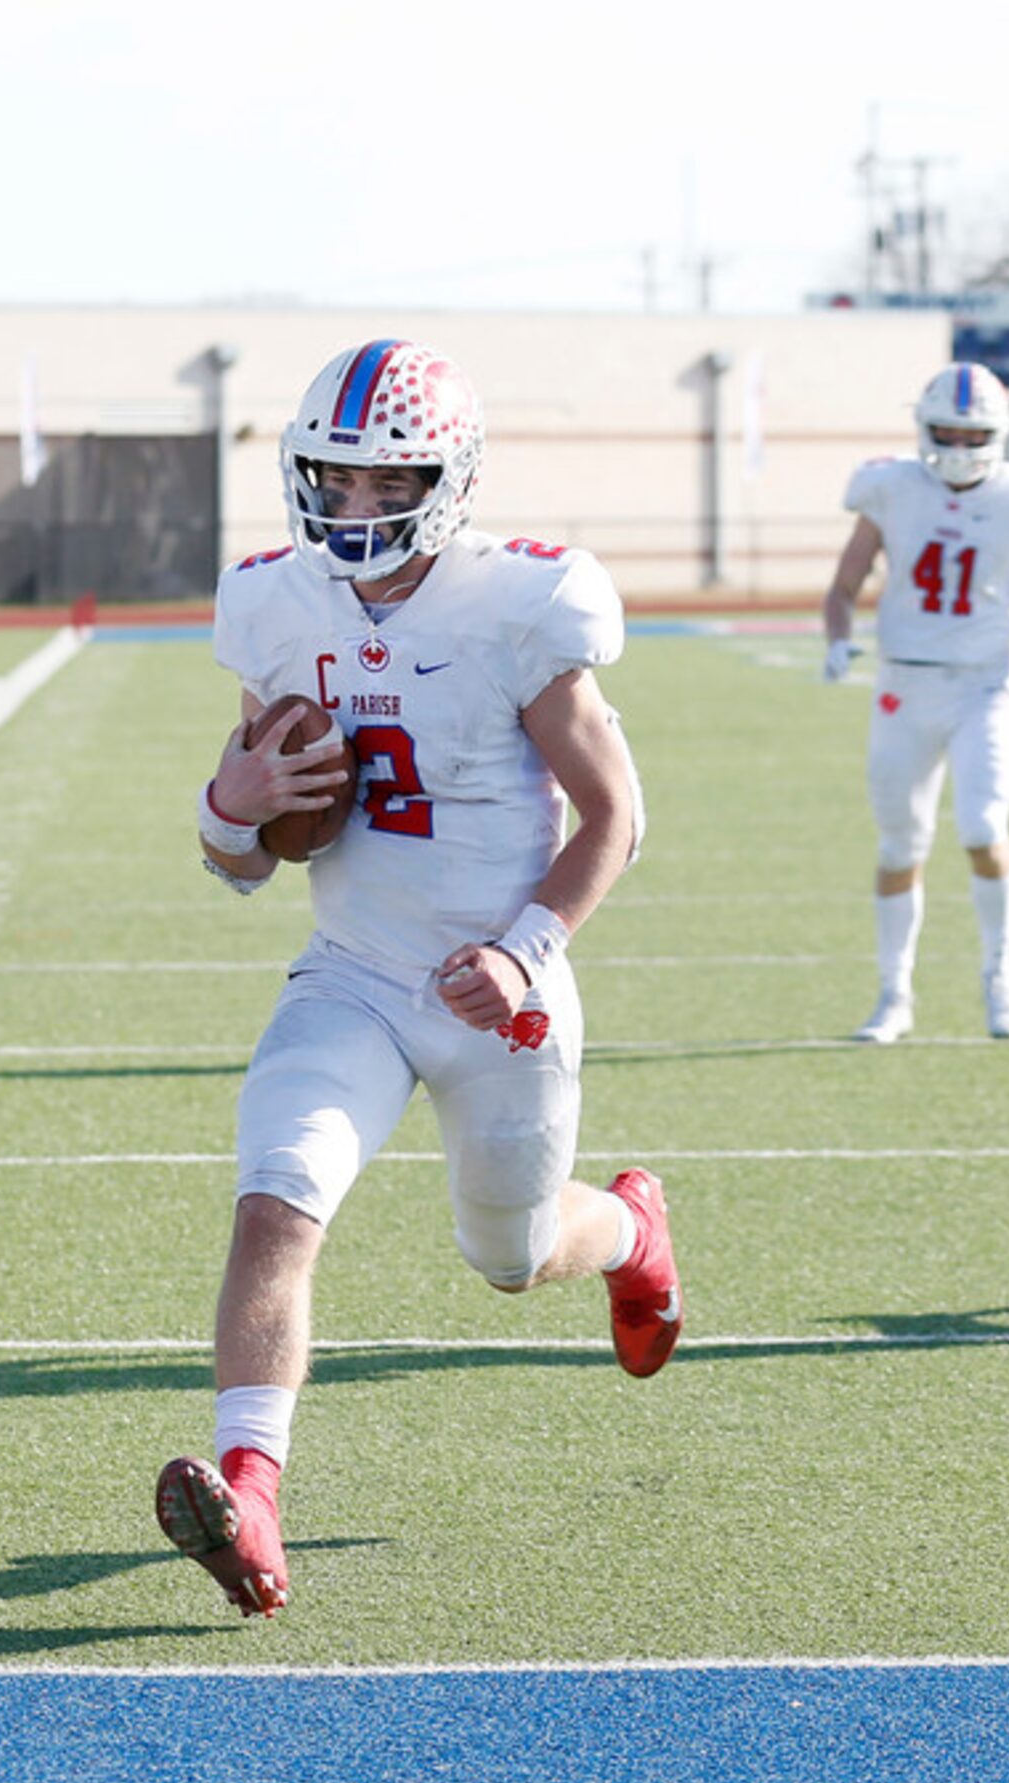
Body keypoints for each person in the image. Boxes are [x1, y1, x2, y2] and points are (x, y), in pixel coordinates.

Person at [156, 339, 674, 1620]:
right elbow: (239, 862)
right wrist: (230, 806)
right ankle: (252, 1495)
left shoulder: (520, 603)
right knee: (274, 1207)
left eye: (386, 486)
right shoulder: (274, 606)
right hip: (349, 975)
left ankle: (630, 1231)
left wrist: (521, 949)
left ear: (446, 483)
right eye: (331, 481)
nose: (352, 510)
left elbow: (613, 815)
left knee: (509, 1256)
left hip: (499, 997)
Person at [821, 363, 1009, 1045]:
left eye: (974, 434)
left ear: (999, 433)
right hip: (906, 683)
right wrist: (839, 640)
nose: (960, 447)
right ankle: (893, 993)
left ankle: (999, 975)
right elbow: (844, 585)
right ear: (923, 428)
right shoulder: (892, 486)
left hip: (983, 685)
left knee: (982, 827)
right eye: (948, 432)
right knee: (901, 842)